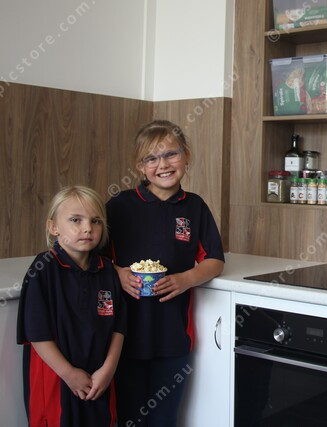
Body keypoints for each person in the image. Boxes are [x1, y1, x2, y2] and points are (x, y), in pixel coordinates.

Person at [106, 120, 225, 426]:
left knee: (164, 419)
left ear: (186, 156)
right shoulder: (119, 206)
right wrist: (118, 273)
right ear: (140, 166)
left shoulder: (194, 207)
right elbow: (96, 260)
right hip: (124, 336)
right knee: (129, 417)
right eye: (151, 158)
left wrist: (186, 279)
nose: (163, 165)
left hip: (173, 336)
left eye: (171, 154)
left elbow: (214, 260)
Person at [17, 185, 126, 426]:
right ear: (53, 227)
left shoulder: (107, 270)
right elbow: (36, 334)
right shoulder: (43, 269)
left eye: (95, 221)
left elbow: (119, 327)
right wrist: (69, 374)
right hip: (56, 378)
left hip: (99, 380)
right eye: (76, 220)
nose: (87, 228)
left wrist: (108, 370)